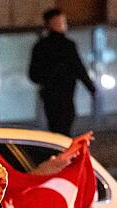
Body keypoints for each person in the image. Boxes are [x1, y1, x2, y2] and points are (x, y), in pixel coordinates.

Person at [28, 8, 96, 136]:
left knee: (55, 129)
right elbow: (79, 68)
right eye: (62, 22)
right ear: (53, 23)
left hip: (49, 97)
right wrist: (91, 88)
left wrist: (47, 79)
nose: (65, 25)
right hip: (66, 95)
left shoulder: (40, 46)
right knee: (65, 130)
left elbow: (33, 75)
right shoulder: (67, 45)